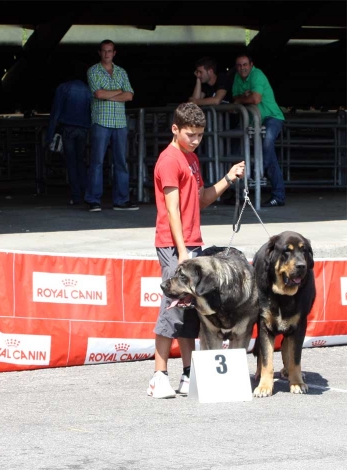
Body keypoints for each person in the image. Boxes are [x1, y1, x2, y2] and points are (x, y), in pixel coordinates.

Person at [148, 103, 245, 398]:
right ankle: (159, 376)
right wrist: (182, 253)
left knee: (192, 312)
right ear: (175, 129)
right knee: (172, 309)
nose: (196, 140)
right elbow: (172, 210)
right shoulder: (169, 161)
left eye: (201, 135)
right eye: (191, 134)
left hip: (192, 244)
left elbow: (201, 199)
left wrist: (228, 179)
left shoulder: (192, 158)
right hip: (173, 244)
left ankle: (188, 374)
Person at [85, 40, 138, 212]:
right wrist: (119, 91)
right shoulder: (93, 71)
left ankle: (121, 200)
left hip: (119, 123)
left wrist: (109, 95)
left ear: (114, 53)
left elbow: (130, 96)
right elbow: (98, 93)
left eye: (110, 51)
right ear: (99, 52)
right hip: (101, 121)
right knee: (97, 162)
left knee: (121, 162)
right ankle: (93, 200)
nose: (107, 54)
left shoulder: (121, 71)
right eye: (104, 51)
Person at [232, 53, 286, 207]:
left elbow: (255, 99)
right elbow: (235, 100)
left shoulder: (258, 75)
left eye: (245, 65)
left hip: (272, 117)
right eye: (239, 65)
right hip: (253, 120)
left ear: (251, 65)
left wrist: (243, 98)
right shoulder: (237, 77)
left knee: (267, 145)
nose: (242, 68)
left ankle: (257, 173)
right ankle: (276, 195)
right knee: (240, 147)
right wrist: (243, 97)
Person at [46, 78, 92, 205]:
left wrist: (49, 136)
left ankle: (76, 196)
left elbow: (56, 112)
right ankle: (87, 193)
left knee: (71, 162)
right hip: (83, 129)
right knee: (80, 161)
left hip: (68, 129)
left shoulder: (63, 88)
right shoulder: (87, 89)